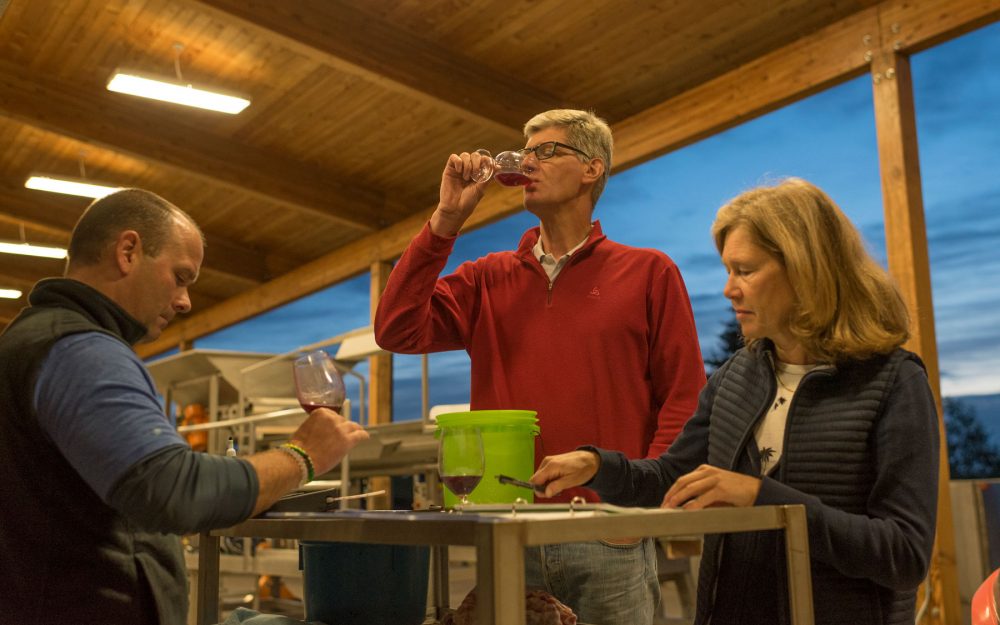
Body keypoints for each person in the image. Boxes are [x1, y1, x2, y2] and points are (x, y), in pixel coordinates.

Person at [531, 178, 940, 625]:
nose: (729, 289)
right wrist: (597, 466)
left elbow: (904, 554)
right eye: (727, 271)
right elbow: (671, 479)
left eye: (744, 271)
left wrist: (762, 497)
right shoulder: (735, 377)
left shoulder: (894, 381)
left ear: (806, 269)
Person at [374, 109, 706, 624]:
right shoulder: (487, 279)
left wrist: (642, 508)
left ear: (592, 169)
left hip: (607, 534)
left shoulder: (648, 271)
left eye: (546, 151)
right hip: (509, 534)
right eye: (525, 153)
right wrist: (445, 221)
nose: (528, 163)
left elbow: (684, 396)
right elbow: (395, 329)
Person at [0, 189, 369, 625]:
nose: (185, 301)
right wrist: (302, 456)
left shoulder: (31, 339)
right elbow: (172, 491)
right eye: (180, 277)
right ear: (128, 251)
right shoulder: (81, 351)